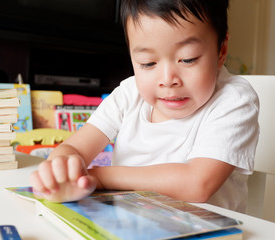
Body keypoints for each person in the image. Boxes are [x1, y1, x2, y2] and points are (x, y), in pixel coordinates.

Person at [30, 0, 259, 213]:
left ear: (221, 50)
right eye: (148, 63)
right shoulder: (129, 94)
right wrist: (61, 170)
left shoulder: (233, 100)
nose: (168, 79)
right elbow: (76, 149)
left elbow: (197, 184)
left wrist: (101, 177)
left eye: (188, 59)